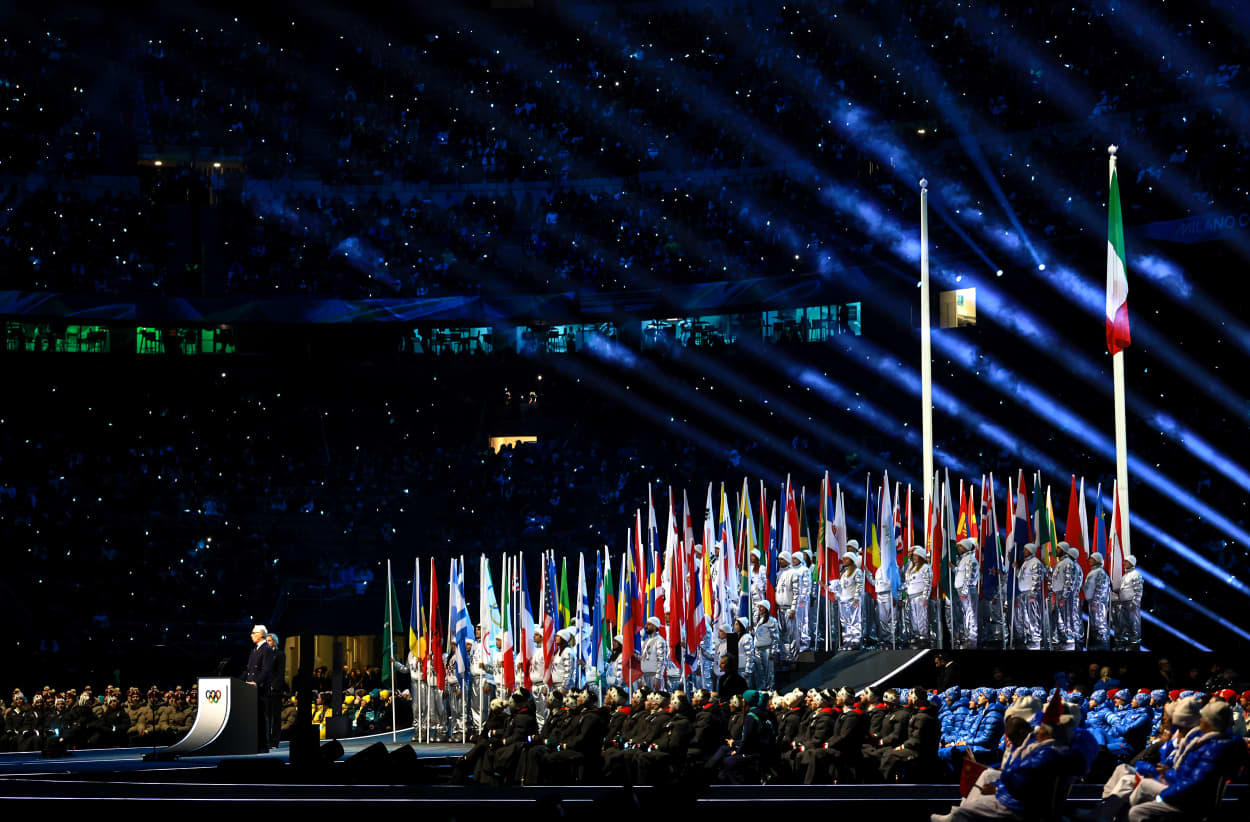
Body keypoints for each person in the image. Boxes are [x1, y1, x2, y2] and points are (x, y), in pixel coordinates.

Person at [1125, 699, 1247, 820]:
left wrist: (1162, 796)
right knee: (1143, 785)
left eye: (1203, 718)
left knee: (1137, 812)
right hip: (1184, 791)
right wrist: (1167, 773)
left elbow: (1194, 783)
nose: (1200, 721)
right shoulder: (1205, 742)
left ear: (1211, 722)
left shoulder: (1214, 748)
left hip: (1190, 802)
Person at [243, 624, 275, 751]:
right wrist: (240, 681)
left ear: (260, 634)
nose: (251, 635)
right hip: (251, 689)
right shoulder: (254, 650)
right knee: (255, 717)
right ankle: (255, 743)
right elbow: (248, 669)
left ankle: (263, 745)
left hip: (260, 689)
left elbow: (266, 670)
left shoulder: (266, 649)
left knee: (262, 717)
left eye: (253, 632)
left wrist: (256, 682)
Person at [1051, 543, 1082, 650]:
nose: (1056, 549)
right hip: (1059, 593)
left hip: (1065, 595)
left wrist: (1064, 596)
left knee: (1067, 617)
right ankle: (1063, 640)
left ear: (1064, 550)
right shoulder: (1061, 563)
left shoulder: (1068, 563)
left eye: (1059, 548)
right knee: (1059, 618)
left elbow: (1069, 581)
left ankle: (1069, 640)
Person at [1014, 544, 1044, 650]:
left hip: (1031, 594)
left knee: (1033, 617)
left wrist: (1033, 593)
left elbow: (1037, 578)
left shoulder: (1035, 562)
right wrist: (1017, 568)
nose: (1024, 551)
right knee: (1025, 617)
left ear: (1031, 550)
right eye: (1024, 549)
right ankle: (1029, 638)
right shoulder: (1026, 563)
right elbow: (1021, 577)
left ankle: (1035, 641)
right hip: (1023, 594)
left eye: (1026, 549)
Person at [954, 539, 980, 649]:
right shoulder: (963, 559)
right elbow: (961, 574)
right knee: (966, 615)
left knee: (971, 615)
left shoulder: (971, 559)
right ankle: (967, 637)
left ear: (966, 547)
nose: (958, 549)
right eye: (958, 547)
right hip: (963, 591)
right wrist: (953, 568)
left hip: (968, 591)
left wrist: (964, 591)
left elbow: (969, 577)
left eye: (960, 546)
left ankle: (972, 640)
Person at [1083, 553, 1112, 651]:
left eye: (1092, 559)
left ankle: (1103, 646)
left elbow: (1100, 589)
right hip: (1093, 603)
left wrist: (1095, 602)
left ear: (1097, 560)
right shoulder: (1094, 572)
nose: (1089, 560)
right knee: (1094, 625)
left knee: (1100, 625)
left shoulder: (1100, 572)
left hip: (1098, 604)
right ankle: (1096, 645)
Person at [905, 547, 932, 648]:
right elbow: (907, 583)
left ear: (921, 556)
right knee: (914, 618)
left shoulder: (925, 567)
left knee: (922, 617)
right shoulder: (911, 568)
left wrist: (925, 597)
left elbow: (928, 583)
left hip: (920, 596)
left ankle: (923, 637)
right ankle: (916, 635)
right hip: (912, 597)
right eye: (914, 555)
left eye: (916, 555)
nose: (914, 557)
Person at [838, 550, 865, 650]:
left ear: (852, 560)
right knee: (845, 622)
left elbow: (860, 585)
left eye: (846, 558)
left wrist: (857, 598)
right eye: (843, 558)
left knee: (855, 621)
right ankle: (847, 641)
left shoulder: (857, 571)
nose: (844, 560)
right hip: (843, 601)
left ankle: (855, 641)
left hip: (853, 600)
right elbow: (841, 587)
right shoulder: (844, 573)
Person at [1116, 555, 1144, 650]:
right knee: (1125, 624)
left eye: (1126, 562)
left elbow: (1139, 590)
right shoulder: (1125, 575)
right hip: (1124, 603)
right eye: (1124, 561)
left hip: (1131, 603)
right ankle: (1126, 644)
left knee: (1134, 624)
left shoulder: (1136, 574)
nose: (1124, 563)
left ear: (1131, 563)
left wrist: (1134, 603)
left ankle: (1135, 643)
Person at [752, 601, 780, 690]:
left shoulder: (772, 620)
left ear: (766, 609)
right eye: (759, 607)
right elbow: (759, 634)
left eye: (762, 607)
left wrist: (773, 651)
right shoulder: (759, 619)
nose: (760, 609)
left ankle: (770, 690)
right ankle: (761, 689)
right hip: (757, 649)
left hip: (767, 649)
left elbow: (775, 637)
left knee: (769, 672)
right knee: (759, 672)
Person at [875, 548, 897, 649]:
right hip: (880, 596)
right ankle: (884, 639)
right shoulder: (879, 569)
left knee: (891, 619)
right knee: (882, 619)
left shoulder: (892, 566)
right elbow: (877, 584)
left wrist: (895, 596)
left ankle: (891, 639)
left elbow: (895, 583)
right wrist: (867, 574)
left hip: (889, 595)